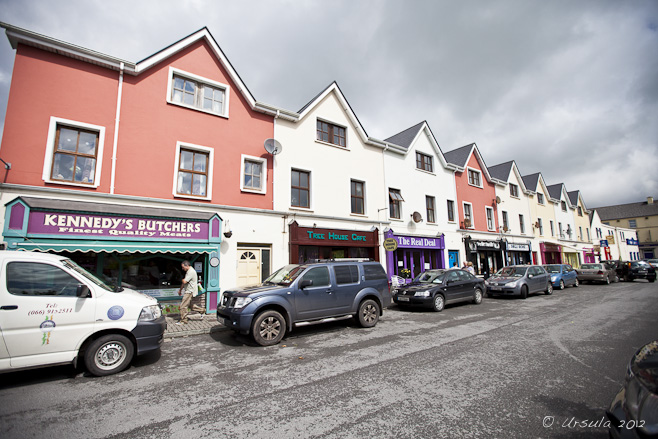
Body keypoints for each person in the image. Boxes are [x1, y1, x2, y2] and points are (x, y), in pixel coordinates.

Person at [177, 260, 204, 324]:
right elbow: (184, 283)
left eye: (183, 267)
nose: (182, 269)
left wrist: (181, 279)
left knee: (183, 306)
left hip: (189, 291)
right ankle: (202, 310)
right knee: (190, 306)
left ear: (187, 266)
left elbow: (184, 281)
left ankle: (183, 320)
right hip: (189, 290)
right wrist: (180, 290)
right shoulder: (188, 271)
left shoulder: (191, 272)